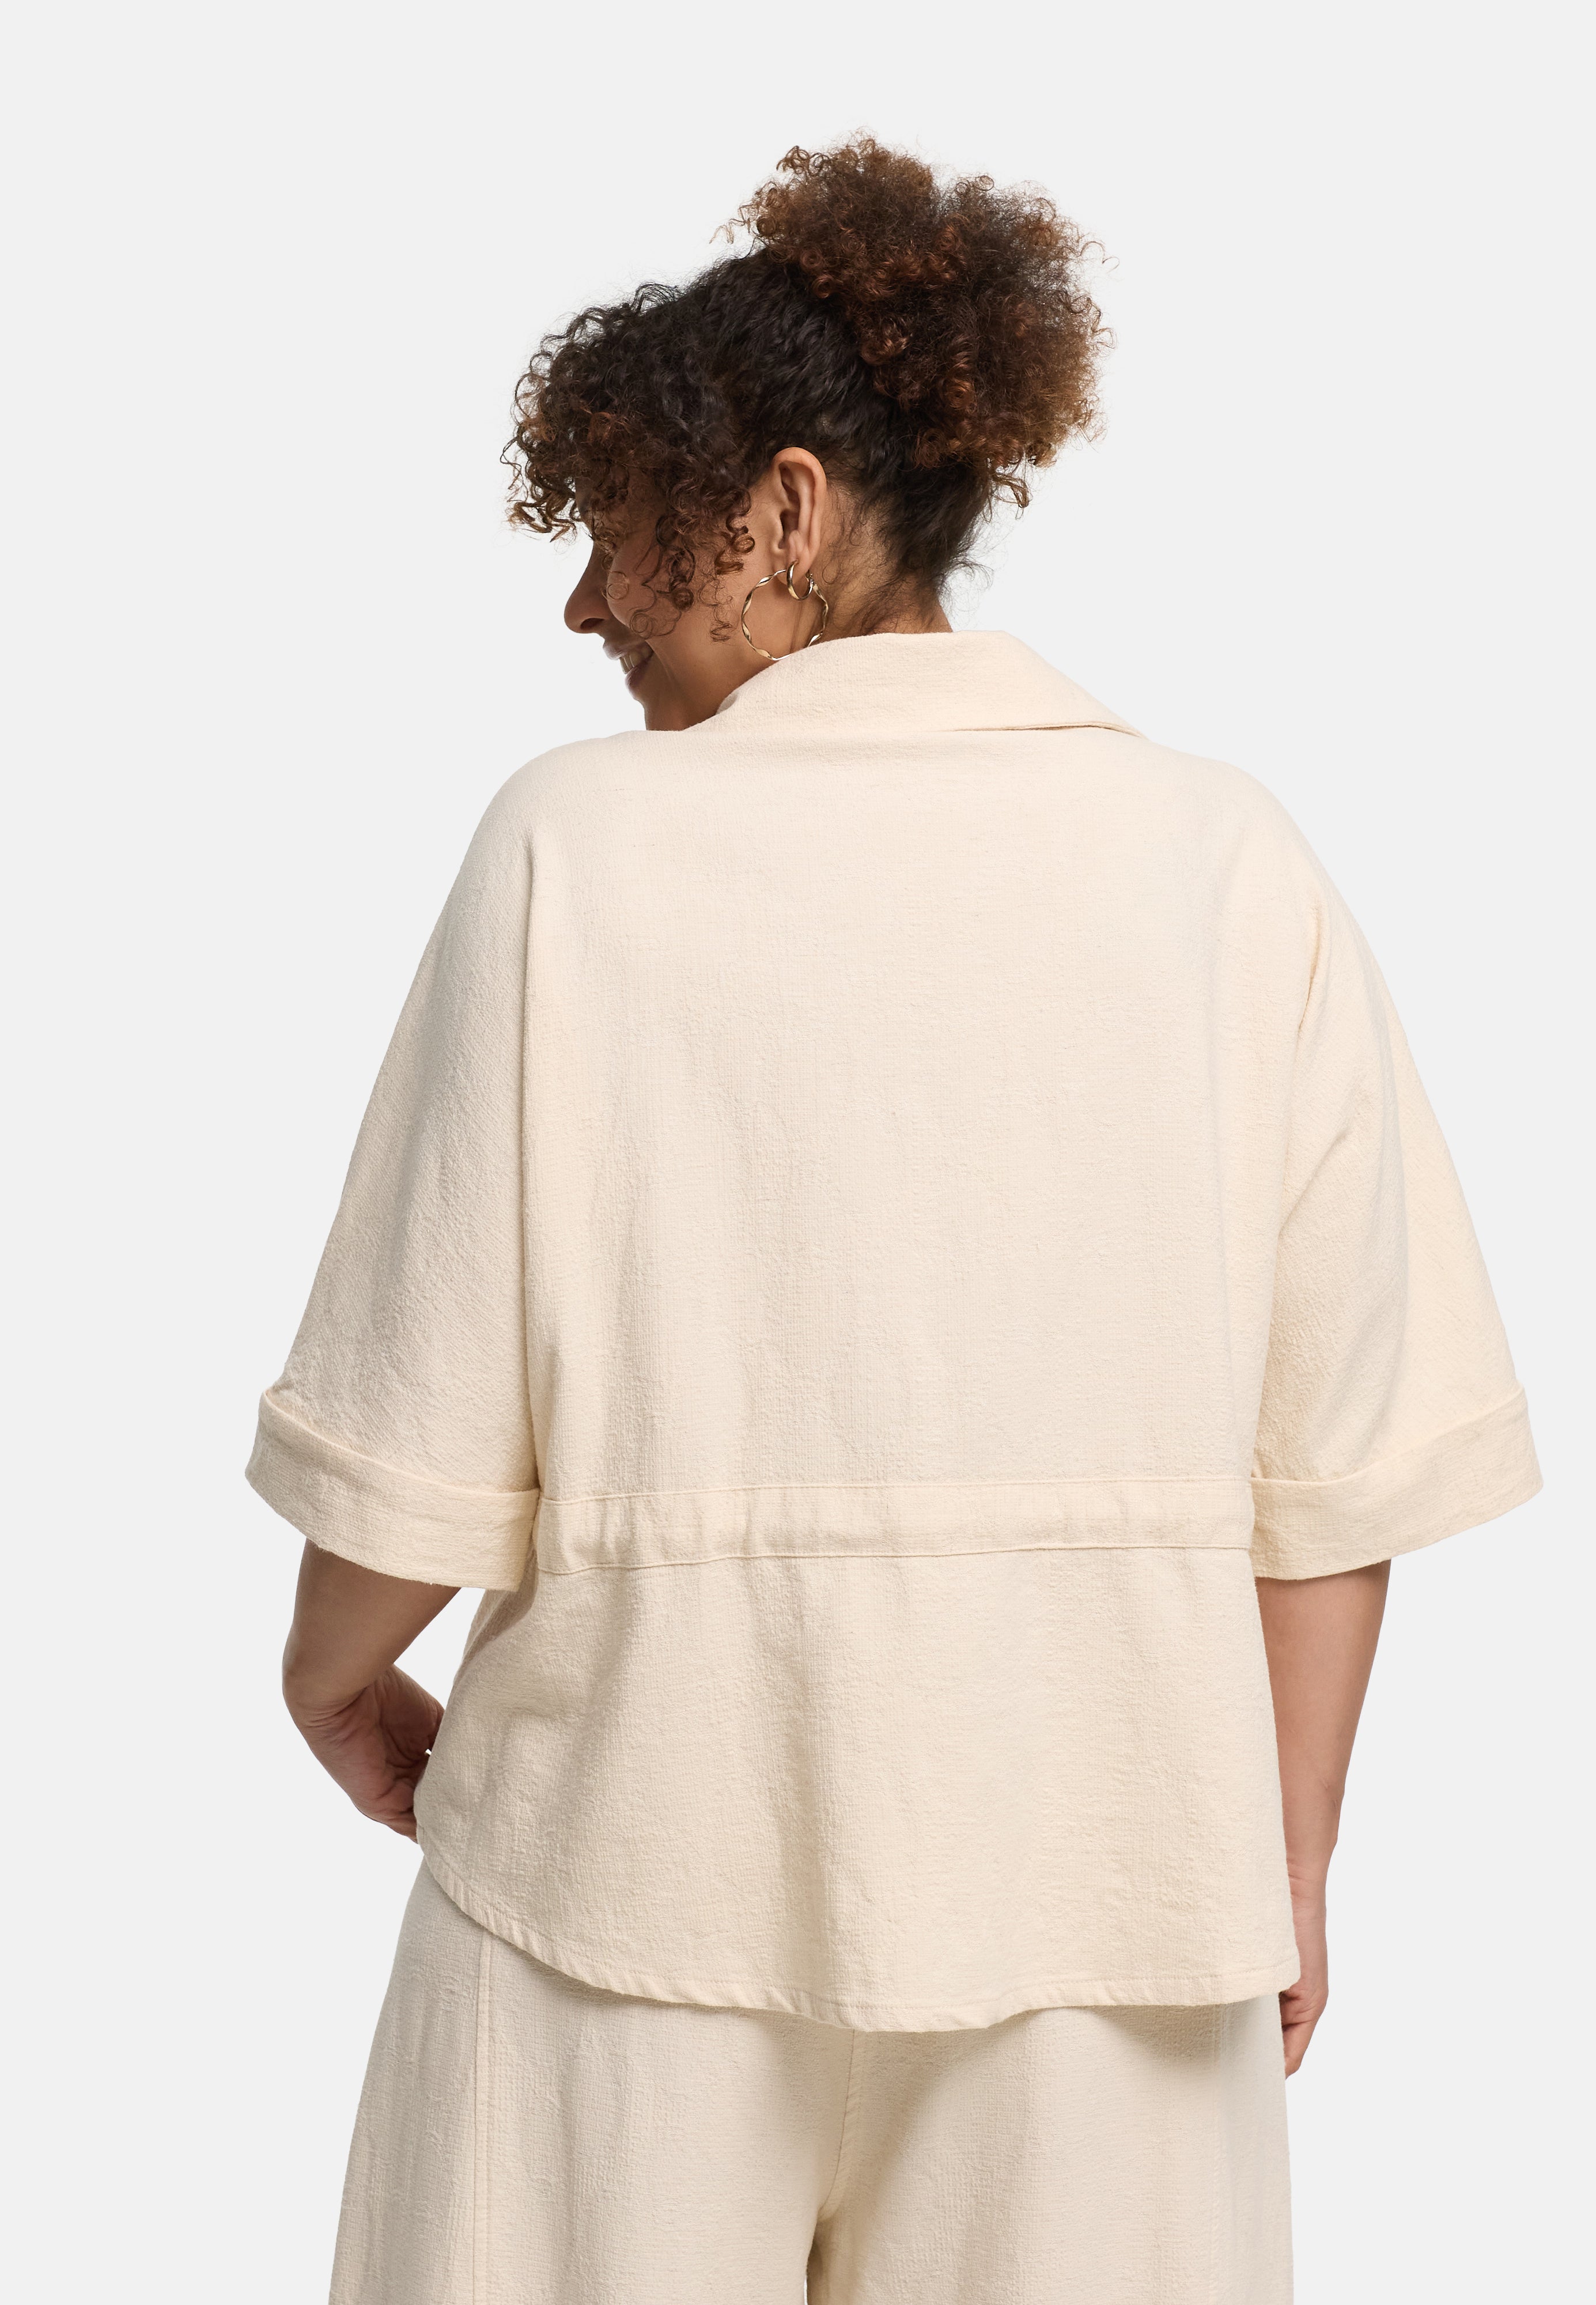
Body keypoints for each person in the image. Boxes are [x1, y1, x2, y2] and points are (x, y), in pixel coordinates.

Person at [248, 139, 1540, 2304]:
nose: (586, 605)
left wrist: (329, 1682)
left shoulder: (577, 849)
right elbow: (1338, 1455)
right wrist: (1283, 1856)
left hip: (621, 1891)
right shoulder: (1225, 863)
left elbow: (416, 1432)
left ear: (780, 513)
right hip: (1112, 1908)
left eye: (618, 530)